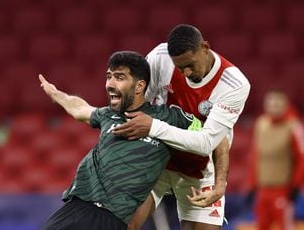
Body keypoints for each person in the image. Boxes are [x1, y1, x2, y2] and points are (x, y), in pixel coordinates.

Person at [39, 51, 203, 230]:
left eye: (119, 77)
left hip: (110, 219)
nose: (110, 83)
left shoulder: (169, 118)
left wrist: (216, 183)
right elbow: (80, 108)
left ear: (139, 86)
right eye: (109, 76)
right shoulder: (109, 115)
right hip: (73, 209)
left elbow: (210, 134)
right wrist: (57, 95)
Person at [114, 24, 251, 229]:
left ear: (205, 47)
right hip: (156, 158)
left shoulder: (233, 83)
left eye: (190, 65)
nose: (186, 72)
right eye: (179, 67)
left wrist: (220, 183)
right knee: (121, 222)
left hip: (199, 168)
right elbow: (135, 105)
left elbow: (208, 143)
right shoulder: (160, 57)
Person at [246, 88, 304, 230]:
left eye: (277, 103)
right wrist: (252, 185)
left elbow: (301, 158)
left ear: (285, 104)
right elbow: (255, 156)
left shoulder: (294, 127)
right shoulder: (261, 124)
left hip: (283, 189)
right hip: (263, 190)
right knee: (262, 226)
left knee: (286, 226)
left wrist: (297, 185)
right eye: (270, 102)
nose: (273, 106)